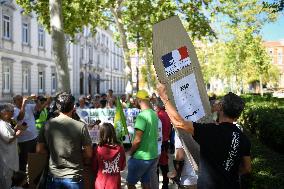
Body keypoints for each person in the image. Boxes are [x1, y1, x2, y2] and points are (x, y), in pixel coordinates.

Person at [157, 83, 252, 189]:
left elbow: (179, 123)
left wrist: (164, 98)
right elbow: (247, 168)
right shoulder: (244, 138)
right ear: (237, 116)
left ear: (220, 107)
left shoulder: (210, 131)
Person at [37, 92, 93, 189]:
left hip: (54, 176)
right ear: (73, 107)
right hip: (74, 177)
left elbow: (39, 150)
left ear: (57, 107)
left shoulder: (47, 125)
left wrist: (54, 152)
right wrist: (75, 154)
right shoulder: (81, 126)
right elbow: (88, 153)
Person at [127, 90, 159, 189]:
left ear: (139, 100)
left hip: (141, 157)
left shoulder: (142, 116)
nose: (134, 102)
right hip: (152, 156)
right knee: (145, 182)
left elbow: (137, 140)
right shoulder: (154, 114)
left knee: (130, 184)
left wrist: (130, 153)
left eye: (136, 100)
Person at [92, 123, 126, 189]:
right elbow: (122, 167)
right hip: (115, 184)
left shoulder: (97, 149)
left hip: (101, 184)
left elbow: (94, 167)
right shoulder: (120, 148)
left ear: (101, 134)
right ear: (113, 133)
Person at [0, 103, 24, 189]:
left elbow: (14, 130)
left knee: (12, 179)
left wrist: (17, 129)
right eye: (11, 111)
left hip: (11, 155)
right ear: (4, 112)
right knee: (7, 180)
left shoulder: (8, 122)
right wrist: (17, 134)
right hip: (6, 158)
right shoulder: (1, 124)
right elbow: (8, 139)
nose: (13, 113)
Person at [13, 95, 38, 172]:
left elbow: (38, 108)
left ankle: (32, 176)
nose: (21, 100)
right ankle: (23, 180)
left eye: (21, 98)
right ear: (14, 102)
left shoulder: (29, 106)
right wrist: (23, 104)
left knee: (34, 160)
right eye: (18, 99)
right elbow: (20, 117)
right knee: (24, 161)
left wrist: (36, 99)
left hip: (34, 137)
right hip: (24, 141)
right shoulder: (14, 110)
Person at [153, 99, 172, 189]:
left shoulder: (159, 115)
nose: (154, 107)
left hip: (160, 142)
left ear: (158, 106)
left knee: (157, 165)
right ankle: (165, 184)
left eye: (154, 106)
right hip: (165, 141)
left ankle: (159, 184)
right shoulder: (165, 114)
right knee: (164, 164)